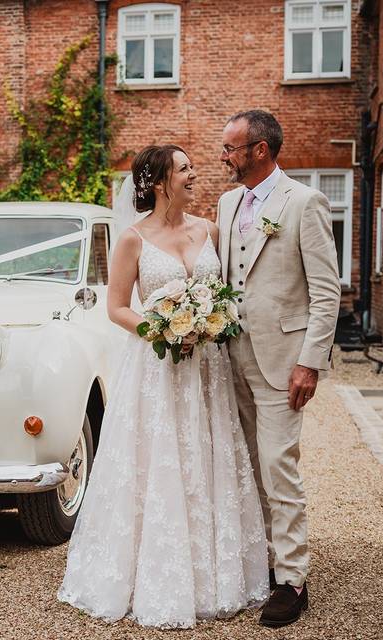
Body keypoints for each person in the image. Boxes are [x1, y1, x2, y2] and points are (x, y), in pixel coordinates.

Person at [57, 144, 269, 629]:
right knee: (156, 462)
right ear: (158, 181)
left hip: (208, 369)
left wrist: (209, 324)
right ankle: (149, 576)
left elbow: (227, 293)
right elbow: (116, 308)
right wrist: (164, 330)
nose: (194, 174)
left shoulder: (210, 230)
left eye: (191, 167)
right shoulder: (132, 240)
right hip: (159, 366)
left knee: (207, 457)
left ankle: (216, 574)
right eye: (184, 169)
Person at [217, 110, 341, 627]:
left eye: (231, 147)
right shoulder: (227, 203)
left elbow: (326, 291)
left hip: (281, 361)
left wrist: (309, 364)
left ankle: (293, 579)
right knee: (246, 466)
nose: (223, 156)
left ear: (261, 150)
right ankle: (264, 561)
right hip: (230, 359)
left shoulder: (304, 202)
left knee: (278, 468)